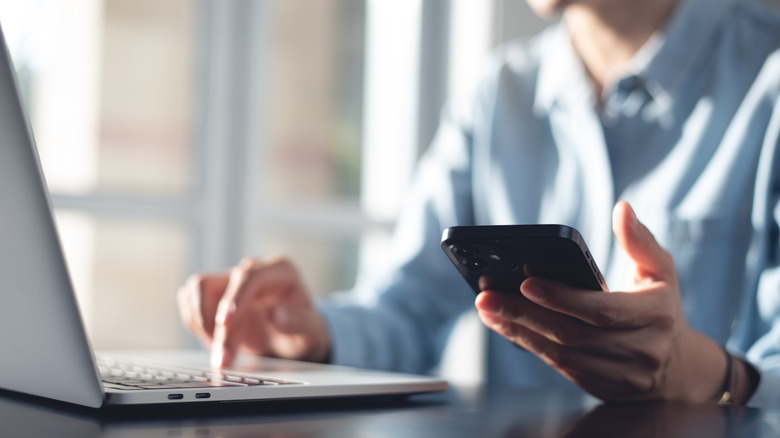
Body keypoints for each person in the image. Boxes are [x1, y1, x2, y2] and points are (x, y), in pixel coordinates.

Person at [178, 0, 780, 407]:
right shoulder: (498, 96)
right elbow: (408, 309)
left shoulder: (768, 75)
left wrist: (707, 376)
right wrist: (311, 335)